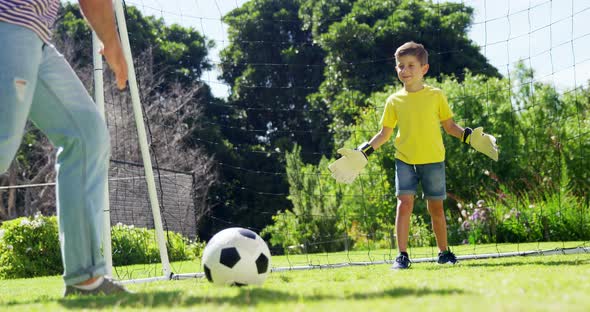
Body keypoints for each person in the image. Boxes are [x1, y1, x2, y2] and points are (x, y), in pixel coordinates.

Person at [328, 41, 498, 269]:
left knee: (435, 208)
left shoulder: (436, 96)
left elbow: (450, 127)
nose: (404, 71)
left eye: (410, 66)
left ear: (424, 69)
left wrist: (472, 137)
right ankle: (402, 256)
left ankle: (444, 253)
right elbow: (384, 134)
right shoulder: (393, 101)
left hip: (433, 160)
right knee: (404, 204)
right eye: (400, 66)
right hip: (405, 159)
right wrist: (362, 153)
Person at [0, 0, 129, 295]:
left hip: (36, 36)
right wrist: (111, 42)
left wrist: (111, 40)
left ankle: (86, 279)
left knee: (86, 135)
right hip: (8, 22)